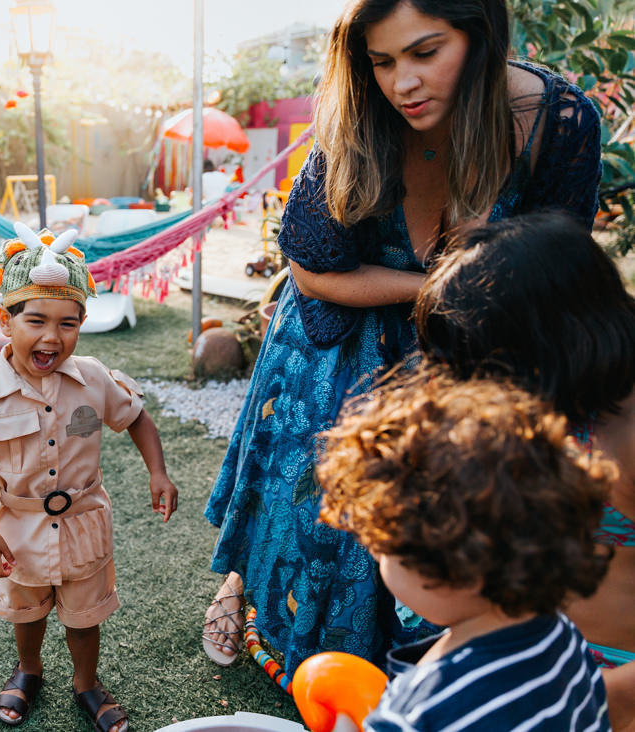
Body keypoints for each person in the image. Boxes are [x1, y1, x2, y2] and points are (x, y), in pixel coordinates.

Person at [201, 0, 602, 680]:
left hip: (470, 345)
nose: (401, 83)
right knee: (303, 506)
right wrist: (436, 289)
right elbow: (310, 268)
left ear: (482, 35)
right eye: (381, 61)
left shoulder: (556, 120)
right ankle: (245, 590)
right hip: (339, 334)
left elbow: (554, 269)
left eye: (425, 52)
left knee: (436, 521)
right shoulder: (357, 111)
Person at [0, 223, 178, 732]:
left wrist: (157, 472)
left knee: (84, 614)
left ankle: (86, 683)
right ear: (5, 320)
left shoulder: (93, 376)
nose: (52, 337)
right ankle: (28, 670)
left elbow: (136, 417)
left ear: (83, 323)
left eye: (67, 324)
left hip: (84, 522)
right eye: (36, 320)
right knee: (26, 611)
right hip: (18, 528)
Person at [415, 211, 635, 731]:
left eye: (480, 372)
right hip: (542, 656)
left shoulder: (625, 441)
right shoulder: (561, 409)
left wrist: (600, 699)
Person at [317, 371, 613, 731]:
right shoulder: (562, 636)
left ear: (449, 571)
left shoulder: (420, 710)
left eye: (382, 546)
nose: (374, 553)